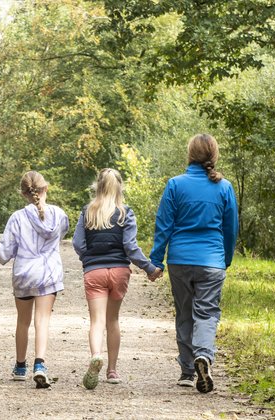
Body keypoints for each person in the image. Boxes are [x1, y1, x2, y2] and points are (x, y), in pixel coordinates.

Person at [149, 133, 238, 394]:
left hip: (180, 260)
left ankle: (188, 371)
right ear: (214, 156)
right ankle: (204, 356)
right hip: (212, 260)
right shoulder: (224, 187)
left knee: (184, 313)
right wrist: (226, 258)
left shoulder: (175, 185)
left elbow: (163, 225)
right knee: (207, 312)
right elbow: (231, 228)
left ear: (190, 155)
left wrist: (156, 260)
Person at [73, 168, 161, 390]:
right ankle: (112, 371)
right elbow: (130, 247)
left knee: (96, 321)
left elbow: (77, 243)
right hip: (120, 271)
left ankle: (96, 356)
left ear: (98, 186)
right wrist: (149, 268)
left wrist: (88, 258)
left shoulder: (88, 212)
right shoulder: (125, 213)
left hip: (94, 272)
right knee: (113, 320)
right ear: (119, 187)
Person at [0, 171, 69, 389]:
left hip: (24, 275)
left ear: (23, 194)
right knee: (43, 320)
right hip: (48, 274)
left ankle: (20, 366)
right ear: (45, 189)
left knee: (23, 321)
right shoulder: (59, 215)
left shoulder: (17, 218)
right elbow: (63, 234)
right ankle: (40, 364)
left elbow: (5, 252)